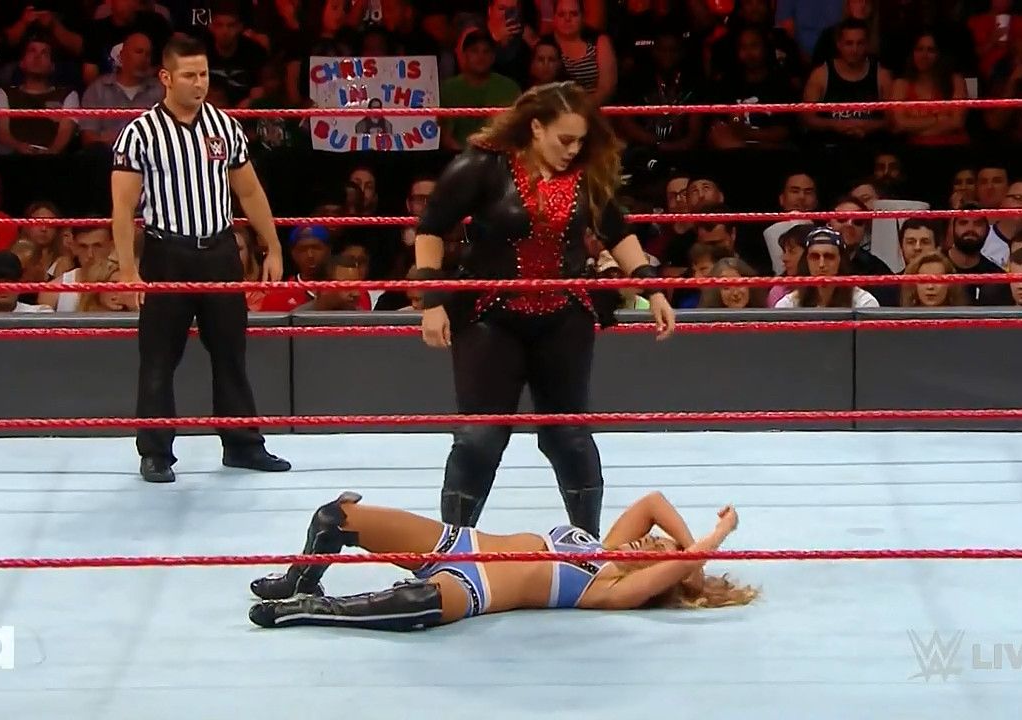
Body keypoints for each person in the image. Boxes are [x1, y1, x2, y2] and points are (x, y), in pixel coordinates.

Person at [412, 81, 676, 537]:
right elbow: (432, 227)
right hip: (491, 313)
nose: (573, 150)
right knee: (480, 438)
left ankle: (586, 545)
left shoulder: (585, 174)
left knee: (569, 436)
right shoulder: (483, 166)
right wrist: (432, 301)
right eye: (564, 139)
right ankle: (452, 547)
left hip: (564, 314)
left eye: (580, 141)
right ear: (536, 128)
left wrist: (653, 289)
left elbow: (616, 232)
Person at [111, 36, 290, 484]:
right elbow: (123, 207)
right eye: (189, 75)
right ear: (166, 78)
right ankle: (155, 452)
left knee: (231, 352)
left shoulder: (225, 126)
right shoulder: (139, 133)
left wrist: (272, 246)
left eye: (204, 74)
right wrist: (128, 270)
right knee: (158, 358)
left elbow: (249, 190)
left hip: (220, 251)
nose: (199, 83)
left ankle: (243, 444)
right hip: (166, 254)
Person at [249, 490, 755, 630]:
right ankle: (300, 582)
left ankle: (310, 610)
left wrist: (715, 538)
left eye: (659, 552)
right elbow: (653, 502)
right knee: (335, 517)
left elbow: (677, 563)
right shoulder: (600, 545)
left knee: (420, 600)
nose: (650, 542)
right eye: (656, 541)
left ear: (661, 577)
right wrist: (690, 552)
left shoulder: (614, 591)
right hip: (455, 543)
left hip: (475, 592)